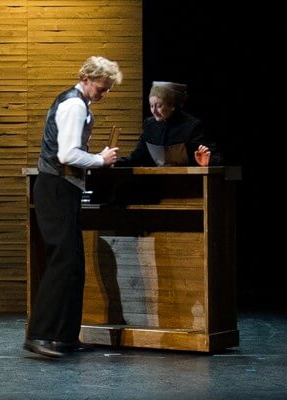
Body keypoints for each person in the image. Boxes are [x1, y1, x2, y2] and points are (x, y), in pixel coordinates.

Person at [24, 56, 121, 358]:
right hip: (56, 187)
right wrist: (100, 160)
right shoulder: (74, 105)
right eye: (102, 87)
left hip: (63, 188)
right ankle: (40, 334)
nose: (104, 93)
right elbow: (67, 155)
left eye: (107, 89)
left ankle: (65, 336)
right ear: (86, 78)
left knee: (73, 265)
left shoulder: (79, 103)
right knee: (62, 263)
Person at [116, 81, 222, 166]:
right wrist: (113, 162)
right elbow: (137, 157)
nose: (154, 111)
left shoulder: (192, 126)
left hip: (187, 181)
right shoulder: (150, 124)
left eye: (159, 106)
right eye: (151, 106)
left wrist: (207, 162)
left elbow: (215, 157)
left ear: (172, 105)